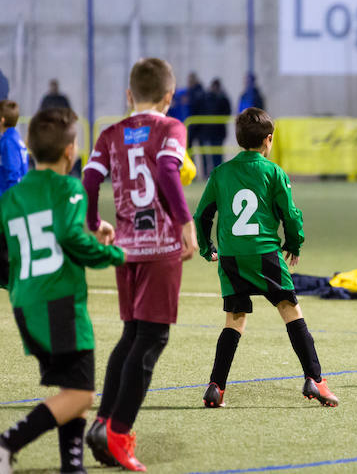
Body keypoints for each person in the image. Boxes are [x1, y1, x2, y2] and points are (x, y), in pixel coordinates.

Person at [81, 57, 198, 471]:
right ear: (169, 97)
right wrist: (185, 223)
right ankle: (119, 432)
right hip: (160, 247)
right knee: (152, 338)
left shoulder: (110, 134)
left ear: (129, 95)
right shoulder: (170, 128)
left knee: (132, 335)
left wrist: (95, 223)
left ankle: (100, 424)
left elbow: (90, 179)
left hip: (125, 248)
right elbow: (168, 169)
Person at [0, 108, 125, 473]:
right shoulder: (69, 188)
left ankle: (72, 464)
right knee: (83, 394)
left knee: (72, 387)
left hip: (27, 303)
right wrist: (114, 253)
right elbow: (69, 238)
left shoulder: (10, 199)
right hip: (60, 304)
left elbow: (42, 240)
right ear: (71, 151)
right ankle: (8, 443)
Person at [195, 107, 339, 408]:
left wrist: (207, 248)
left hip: (232, 257)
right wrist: (294, 244)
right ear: (268, 140)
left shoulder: (220, 174)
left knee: (234, 319)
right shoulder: (274, 172)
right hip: (264, 254)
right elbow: (291, 214)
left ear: (238, 140)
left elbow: (202, 215)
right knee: (290, 309)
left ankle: (216, 388)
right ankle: (315, 379)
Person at [200, 78, 231, 177]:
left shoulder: (223, 98)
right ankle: (212, 173)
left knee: (218, 154)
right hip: (209, 131)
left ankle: (218, 173)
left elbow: (227, 112)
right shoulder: (207, 97)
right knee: (210, 154)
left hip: (218, 131)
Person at [0, 100, 28, 196]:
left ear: (2, 120)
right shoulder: (16, 137)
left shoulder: (8, 141)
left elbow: (14, 174)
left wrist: (12, 201)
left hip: (8, 196)